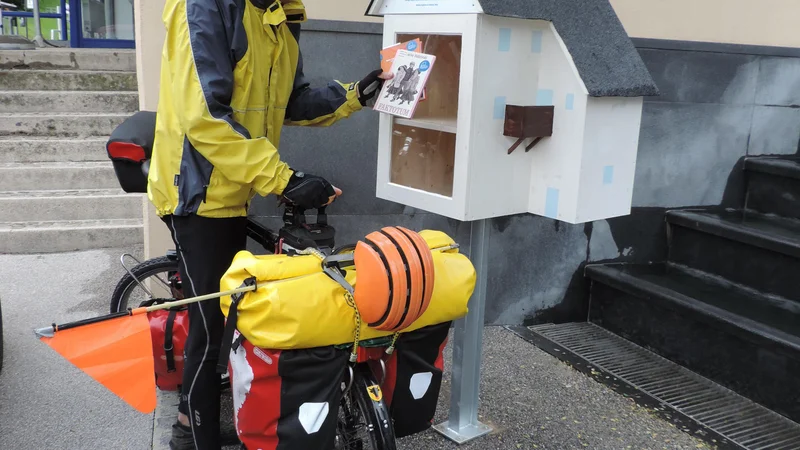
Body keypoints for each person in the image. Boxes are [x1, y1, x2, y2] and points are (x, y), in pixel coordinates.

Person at [146, 1, 391, 449]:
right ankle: (189, 435)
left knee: (231, 312)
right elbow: (205, 116)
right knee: (211, 330)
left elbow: (291, 102)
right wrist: (285, 179)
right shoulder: (206, 7)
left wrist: (359, 92)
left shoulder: (279, 16)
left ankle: (200, 412)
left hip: (236, 184)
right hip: (197, 194)